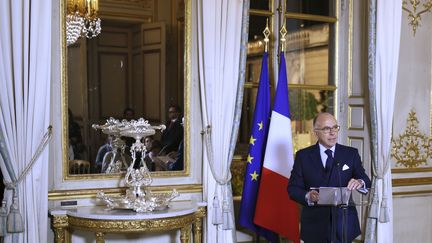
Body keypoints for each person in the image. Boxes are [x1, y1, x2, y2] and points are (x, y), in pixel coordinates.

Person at [287, 112, 371, 243]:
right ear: (316, 132)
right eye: (327, 129)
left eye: (335, 127)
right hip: (314, 226)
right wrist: (308, 196)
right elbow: (293, 188)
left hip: (344, 224)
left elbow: (365, 179)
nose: (332, 133)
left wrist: (359, 182)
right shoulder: (303, 156)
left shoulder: (350, 153)